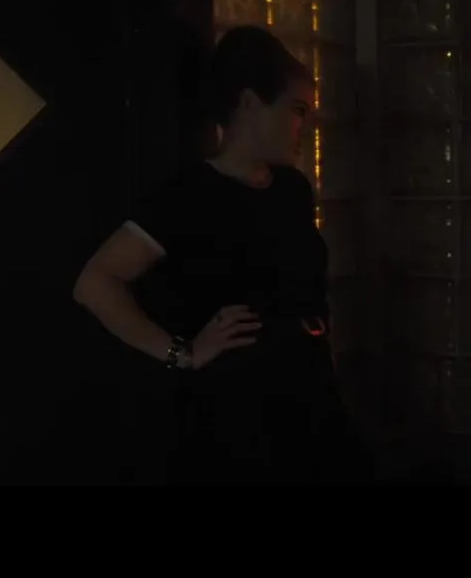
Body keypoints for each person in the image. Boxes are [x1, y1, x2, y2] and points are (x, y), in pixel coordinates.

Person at [72, 25, 371, 484]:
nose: (304, 126)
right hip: (240, 412)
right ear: (250, 103)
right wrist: (182, 352)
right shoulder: (189, 195)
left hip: (310, 399)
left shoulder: (291, 189)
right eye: (296, 110)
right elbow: (95, 283)